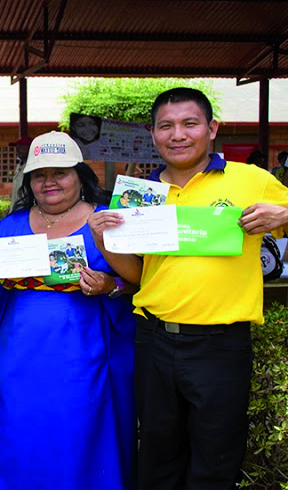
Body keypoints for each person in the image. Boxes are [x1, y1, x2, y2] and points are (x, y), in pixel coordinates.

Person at [89, 87, 288, 489]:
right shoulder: (141, 194)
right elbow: (138, 276)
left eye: (189, 123)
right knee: (159, 453)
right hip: (154, 339)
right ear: (153, 133)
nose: (177, 134)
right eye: (166, 126)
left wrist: (285, 213)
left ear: (211, 128)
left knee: (216, 456)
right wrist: (102, 241)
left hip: (221, 343)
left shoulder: (251, 179)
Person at [0, 131, 137, 489]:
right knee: (19, 429)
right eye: (40, 174)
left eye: (60, 172)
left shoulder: (105, 219)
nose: (50, 182)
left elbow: (140, 281)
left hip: (84, 352)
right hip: (19, 354)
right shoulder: (11, 225)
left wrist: (110, 285)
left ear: (80, 175)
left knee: (79, 430)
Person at [8, 135, 32, 210]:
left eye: (22, 147)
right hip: (15, 209)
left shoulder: (32, 168)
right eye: (17, 147)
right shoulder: (19, 165)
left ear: (30, 148)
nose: (18, 150)